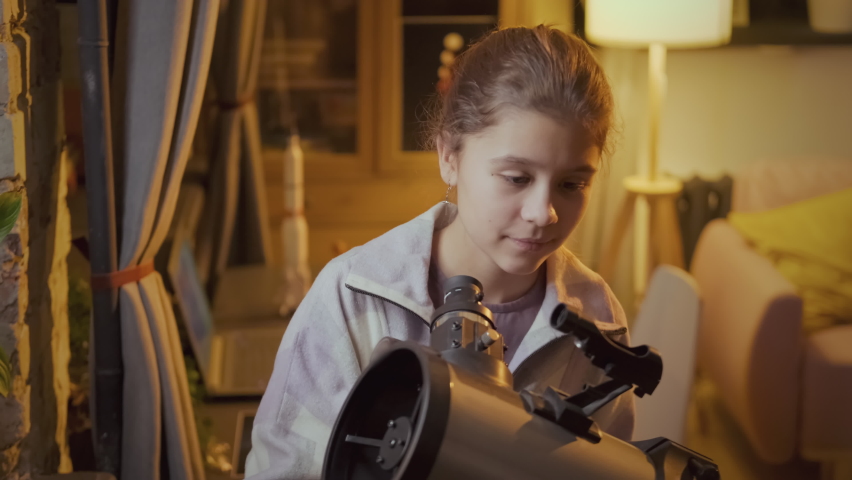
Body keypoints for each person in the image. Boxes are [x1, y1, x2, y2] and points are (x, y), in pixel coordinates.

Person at [245, 25, 633, 479]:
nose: (543, 212)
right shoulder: (350, 297)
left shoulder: (599, 322)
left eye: (572, 184)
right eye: (516, 178)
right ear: (449, 154)